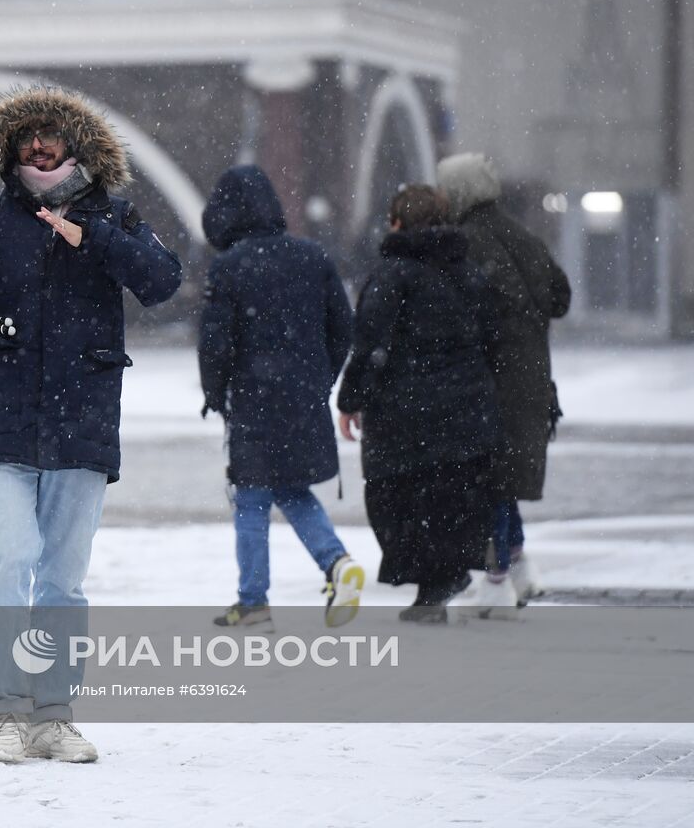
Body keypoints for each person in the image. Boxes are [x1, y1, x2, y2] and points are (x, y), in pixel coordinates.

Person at [0, 85, 182, 764]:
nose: (38, 145)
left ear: (76, 143)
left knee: (62, 574)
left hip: (82, 419)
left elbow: (164, 280)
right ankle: (6, 710)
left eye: (50, 135)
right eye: (27, 135)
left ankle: (53, 714)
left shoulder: (114, 214)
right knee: (7, 557)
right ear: (9, 146)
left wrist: (94, 240)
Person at [197, 164, 363, 632]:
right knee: (292, 487)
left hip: (253, 399)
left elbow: (215, 343)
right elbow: (343, 327)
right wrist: (319, 379)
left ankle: (253, 601)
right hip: (303, 397)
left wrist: (216, 393)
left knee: (251, 497)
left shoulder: (229, 267)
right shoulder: (313, 256)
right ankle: (337, 563)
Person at [337, 185, 502, 623]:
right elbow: (492, 336)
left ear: (395, 222)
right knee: (450, 498)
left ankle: (434, 584)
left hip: (405, 411)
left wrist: (350, 401)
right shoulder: (468, 271)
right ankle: (440, 582)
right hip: (466, 408)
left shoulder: (392, 274)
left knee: (397, 499)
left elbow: (369, 341)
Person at [437, 153, 570, 614]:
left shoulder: (465, 243)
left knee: (487, 478)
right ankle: (516, 563)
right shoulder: (523, 236)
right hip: (531, 379)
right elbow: (559, 296)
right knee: (503, 476)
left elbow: (468, 315)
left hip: (491, 381)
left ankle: (496, 578)